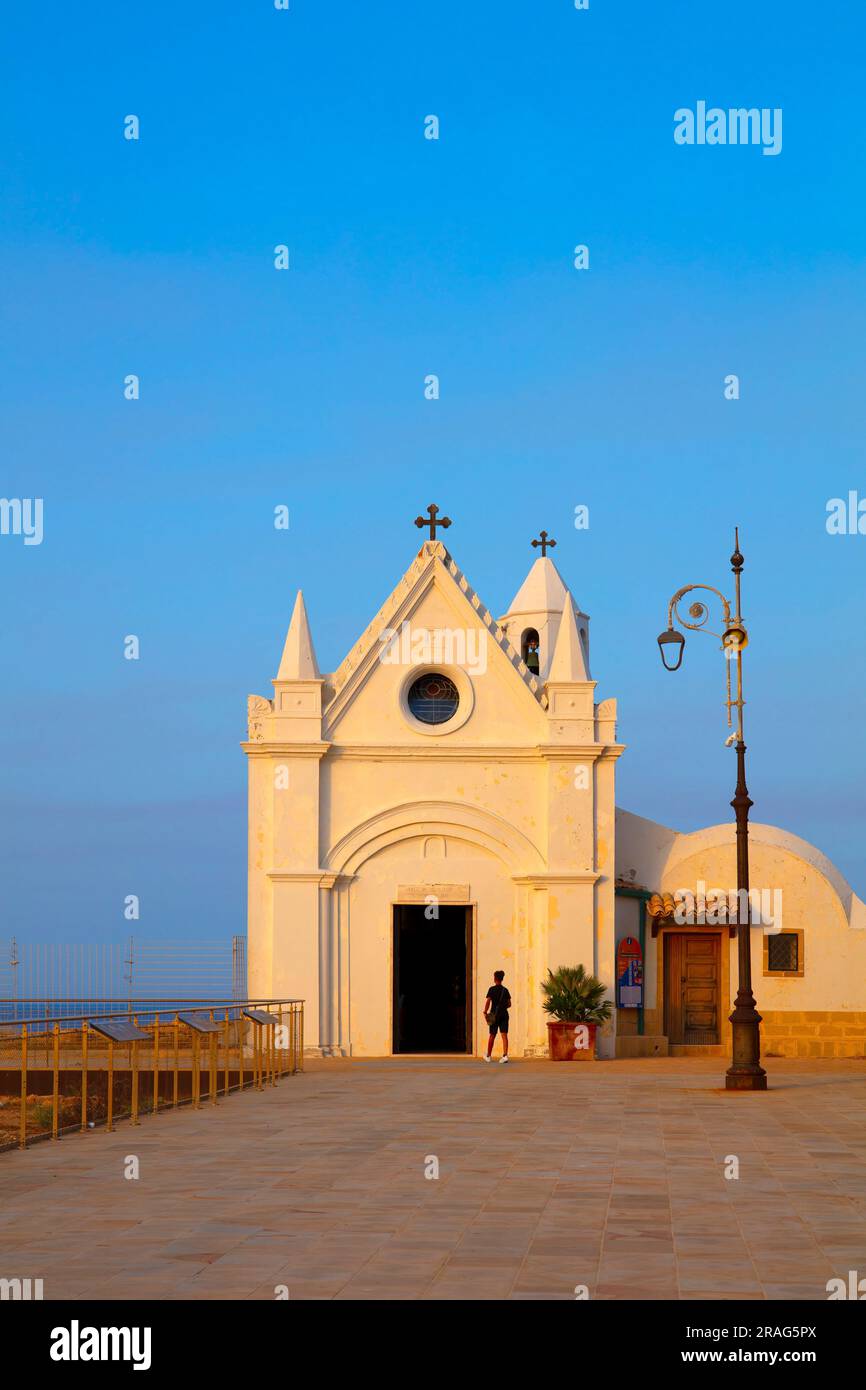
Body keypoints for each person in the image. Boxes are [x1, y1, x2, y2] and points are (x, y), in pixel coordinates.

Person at [483, 970, 511, 1063]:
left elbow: (488, 1001)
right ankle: (505, 1055)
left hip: (494, 1015)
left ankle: (488, 1056)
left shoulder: (491, 989)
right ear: (502, 979)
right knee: (504, 1035)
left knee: (492, 1035)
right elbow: (509, 1004)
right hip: (504, 1015)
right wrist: (502, 1007)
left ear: (495, 979)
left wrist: (485, 1011)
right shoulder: (505, 990)